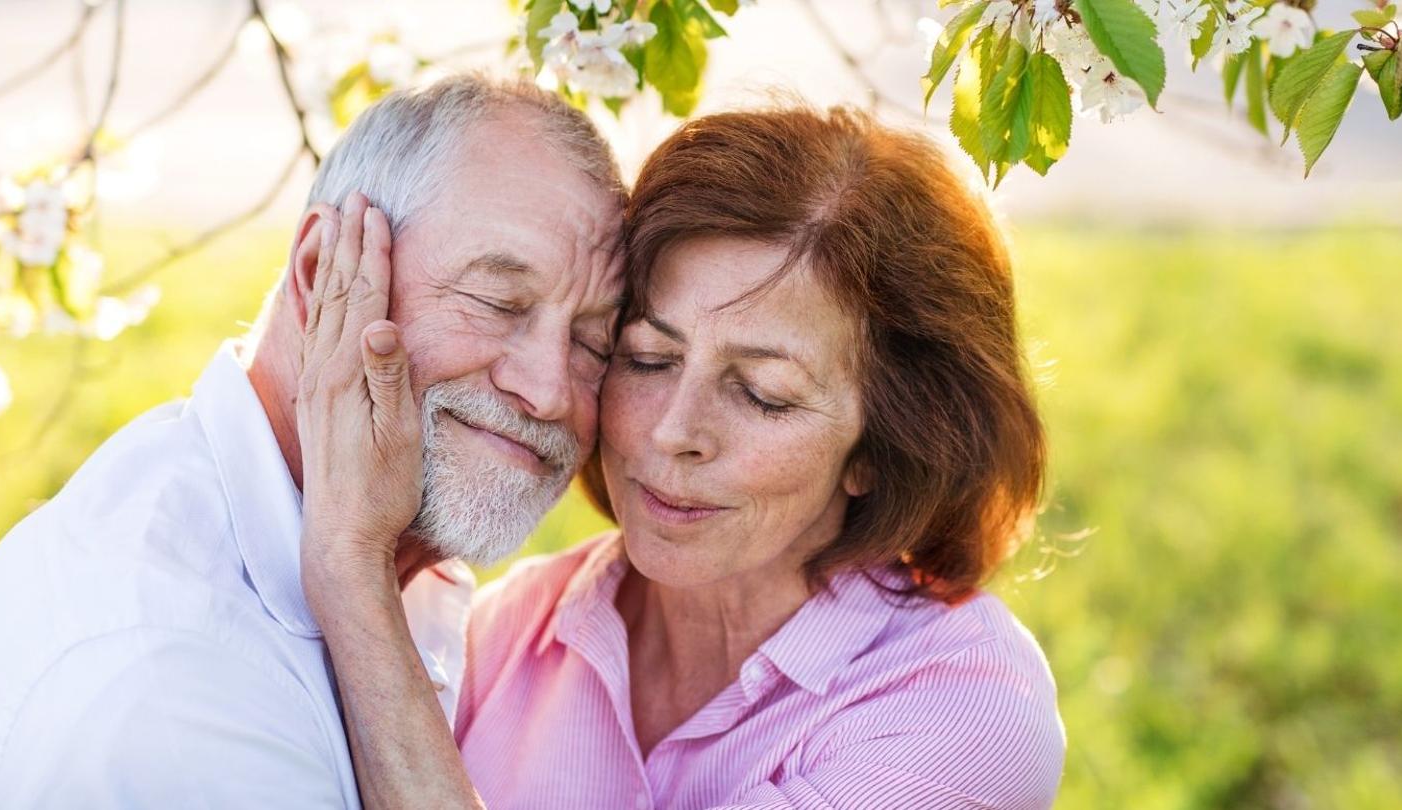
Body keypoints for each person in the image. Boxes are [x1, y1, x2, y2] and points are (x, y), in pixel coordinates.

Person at [0, 74, 626, 809]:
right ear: (320, 273)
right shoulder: (174, 686)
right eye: (497, 302)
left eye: (595, 343)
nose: (551, 391)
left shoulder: (388, 561)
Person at [302, 105, 1066, 809]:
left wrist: (351, 568)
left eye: (764, 395)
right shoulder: (511, 630)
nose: (674, 431)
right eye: (647, 358)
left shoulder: (963, 704)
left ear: (881, 448)